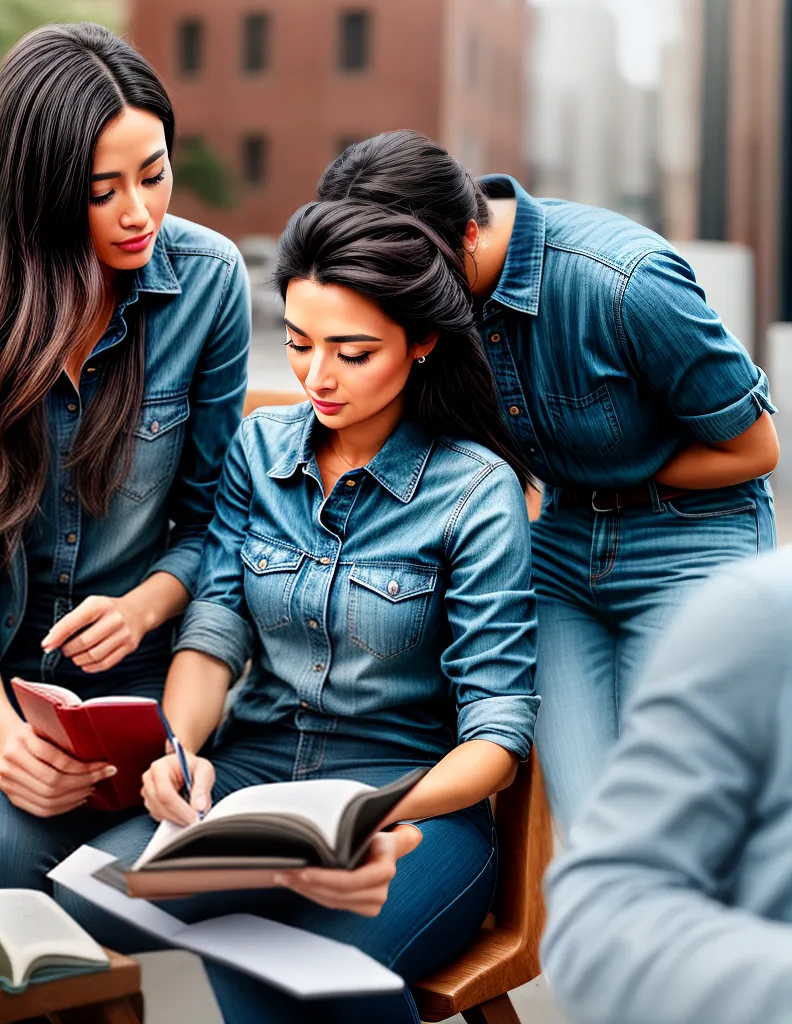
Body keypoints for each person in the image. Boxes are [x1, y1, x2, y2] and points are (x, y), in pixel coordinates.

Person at [56, 197, 540, 1024]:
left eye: (353, 353)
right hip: (251, 784)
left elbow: (497, 733)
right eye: (300, 344)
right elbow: (216, 628)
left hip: (411, 802)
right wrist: (182, 752)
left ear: (421, 344)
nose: (318, 376)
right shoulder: (260, 449)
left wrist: (366, 818)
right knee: (83, 902)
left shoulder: (475, 490)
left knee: (307, 977)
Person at [0, 23, 250, 890]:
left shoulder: (209, 281)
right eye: (100, 190)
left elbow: (218, 527)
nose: (139, 213)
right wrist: (11, 741)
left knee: (161, 859)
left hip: (141, 674)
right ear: (36, 195)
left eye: (153, 175)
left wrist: (142, 607)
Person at [318, 130, 780, 828]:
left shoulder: (625, 281)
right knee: (590, 816)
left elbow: (755, 449)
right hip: (562, 546)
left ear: (467, 233)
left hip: (693, 535)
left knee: (666, 813)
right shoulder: (429, 296)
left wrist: (609, 468)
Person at [541, 546, 792, 1024]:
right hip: (566, 554)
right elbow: (606, 913)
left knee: (699, 887)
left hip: (690, 540)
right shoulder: (767, 612)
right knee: (603, 844)